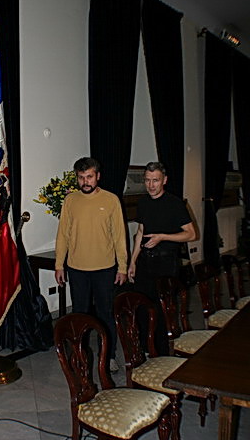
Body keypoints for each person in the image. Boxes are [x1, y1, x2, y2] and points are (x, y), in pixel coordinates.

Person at [55, 157, 127, 372]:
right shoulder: (70, 201)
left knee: (105, 315)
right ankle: (79, 356)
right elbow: (63, 235)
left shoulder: (111, 200)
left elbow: (119, 236)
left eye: (89, 177)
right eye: (81, 177)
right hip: (77, 269)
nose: (85, 182)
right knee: (79, 315)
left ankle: (109, 356)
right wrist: (59, 265)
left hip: (105, 268)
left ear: (98, 176)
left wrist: (122, 267)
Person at [128, 162, 196, 355]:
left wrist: (163, 237)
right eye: (147, 180)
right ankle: (145, 348)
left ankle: (164, 352)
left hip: (166, 263)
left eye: (155, 180)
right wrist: (132, 261)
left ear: (164, 180)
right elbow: (140, 232)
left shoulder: (175, 203)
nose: (151, 185)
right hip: (145, 262)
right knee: (142, 307)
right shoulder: (143, 203)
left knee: (162, 309)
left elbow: (191, 234)